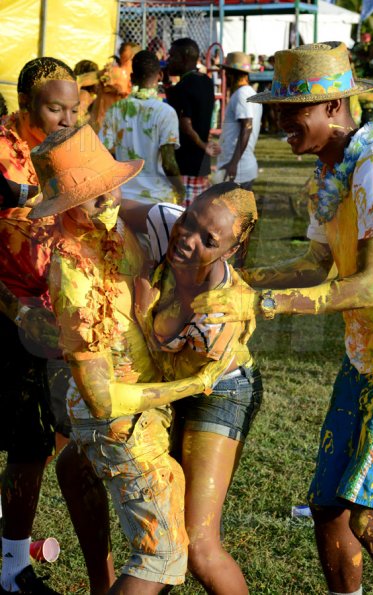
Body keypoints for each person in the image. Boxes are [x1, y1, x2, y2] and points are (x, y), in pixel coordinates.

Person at [193, 41, 373, 595]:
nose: (279, 121)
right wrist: (238, 281)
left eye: (291, 110)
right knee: (328, 506)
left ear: (333, 107)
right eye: (275, 110)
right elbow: (315, 264)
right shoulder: (328, 174)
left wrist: (261, 304)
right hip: (364, 359)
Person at [29, 124, 192, 595]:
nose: (108, 199)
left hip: (126, 411)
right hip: (119, 420)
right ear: (65, 208)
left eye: (109, 186)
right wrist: (192, 382)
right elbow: (102, 400)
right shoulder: (72, 271)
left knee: (75, 470)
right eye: (92, 195)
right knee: (160, 556)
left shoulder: (114, 231)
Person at [120, 183, 263, 595]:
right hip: (167, 382)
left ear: (229, 251)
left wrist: (142, 308)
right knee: (161, 533)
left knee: (198, 545)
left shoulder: (220, 311)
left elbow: (175, 367)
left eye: (208, 239)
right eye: (189, 219)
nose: (187, 238)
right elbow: (108, 210)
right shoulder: (167, 222)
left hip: (219, 392)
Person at [0, 57, 79, 594]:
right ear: (27, 106)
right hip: (8, 311)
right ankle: (12, 568)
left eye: (75, 108)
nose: (67, 118)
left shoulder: (68, 147)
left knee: (37, 440)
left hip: (47, 312)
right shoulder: (3, 152)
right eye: (55, 108)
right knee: (25, 440)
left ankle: (10, 563)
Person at [100, 50, 184, 205]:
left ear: (132, 78)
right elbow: (169, 163)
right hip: (157, 199)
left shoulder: (115, 110)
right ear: (159, 75)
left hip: (123, 198)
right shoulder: (166, 112)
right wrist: (181, 189)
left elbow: (104, 155)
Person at [166, 38, 217, 206]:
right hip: (201, 164)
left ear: (184, 58)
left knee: (181, 217)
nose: (168, 60)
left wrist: (203, 145)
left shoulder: (184, 86)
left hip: (184, 164)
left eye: (172, 56)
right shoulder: (206, 81)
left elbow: (185, 124)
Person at [215, 51, 262, 191]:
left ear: (231, 74)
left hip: (238, 169)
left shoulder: (242, 94)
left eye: (226, 73)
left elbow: (247, 127)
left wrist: (234, 163)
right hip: (238, 167)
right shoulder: (249, 93)